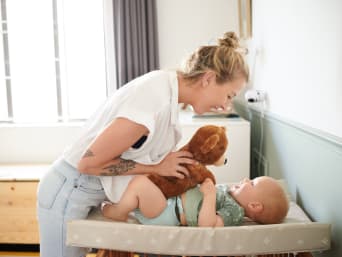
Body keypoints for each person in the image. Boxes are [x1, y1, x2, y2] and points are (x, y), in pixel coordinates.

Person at [37, 31, 249, 257]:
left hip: (84, 189)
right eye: (229, 95)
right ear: (208, 79)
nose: (226, 106)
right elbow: (88, 164)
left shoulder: (167, 92)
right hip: (69, 189)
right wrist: (155, 167)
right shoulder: (154, 100)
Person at [102, 176, 289, 226]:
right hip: (167, 201)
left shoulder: (235, 212)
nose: (246, 180)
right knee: (144, 180)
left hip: (167, 212)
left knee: (140, 183)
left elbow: (207, 225)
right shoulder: (228, 194)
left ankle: (119, 212)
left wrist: (209, 196)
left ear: (254, 206)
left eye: (253, 183)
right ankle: (118, 200)